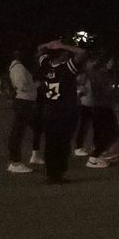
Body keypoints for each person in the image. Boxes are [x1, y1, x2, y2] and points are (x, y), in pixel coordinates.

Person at [38, 38, 86, 184]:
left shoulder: (46, 65)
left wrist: (48, 44)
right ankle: (58, 173)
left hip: (50, 110)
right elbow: (82, 53)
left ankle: (51, 173)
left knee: (51, 143)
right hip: (65, 111)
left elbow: (39, 49)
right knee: (63, 143)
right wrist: (62, 45)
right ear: (61, 54)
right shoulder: (65, 68)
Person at [6, 50, 38, 173]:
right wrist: (36, 85)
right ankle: (15, 162)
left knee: (18, 131)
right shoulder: (18, 67)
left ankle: (15, 161)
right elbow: (22, 86)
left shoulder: (17, 66)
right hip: (24, 102)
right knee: (17, 132)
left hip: (24, 101)